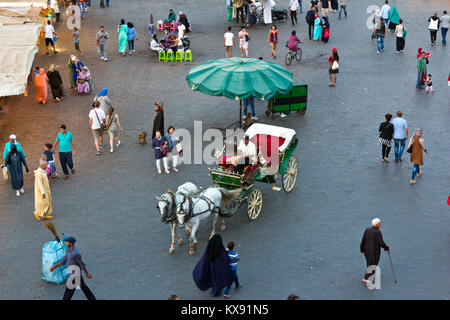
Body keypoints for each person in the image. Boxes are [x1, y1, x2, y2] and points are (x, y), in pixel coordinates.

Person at [360, 218, 389, 285]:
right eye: (379, 223)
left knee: (369, 263)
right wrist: (387, 248)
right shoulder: (378, 232)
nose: (380, 224)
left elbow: (363, 240)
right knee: (373, 264)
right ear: (377, 224)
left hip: (366, 251)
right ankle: (365, 278)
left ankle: (372, 273)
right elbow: (381, 243)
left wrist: (361, 249)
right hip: (374, 252)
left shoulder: (367, 230)